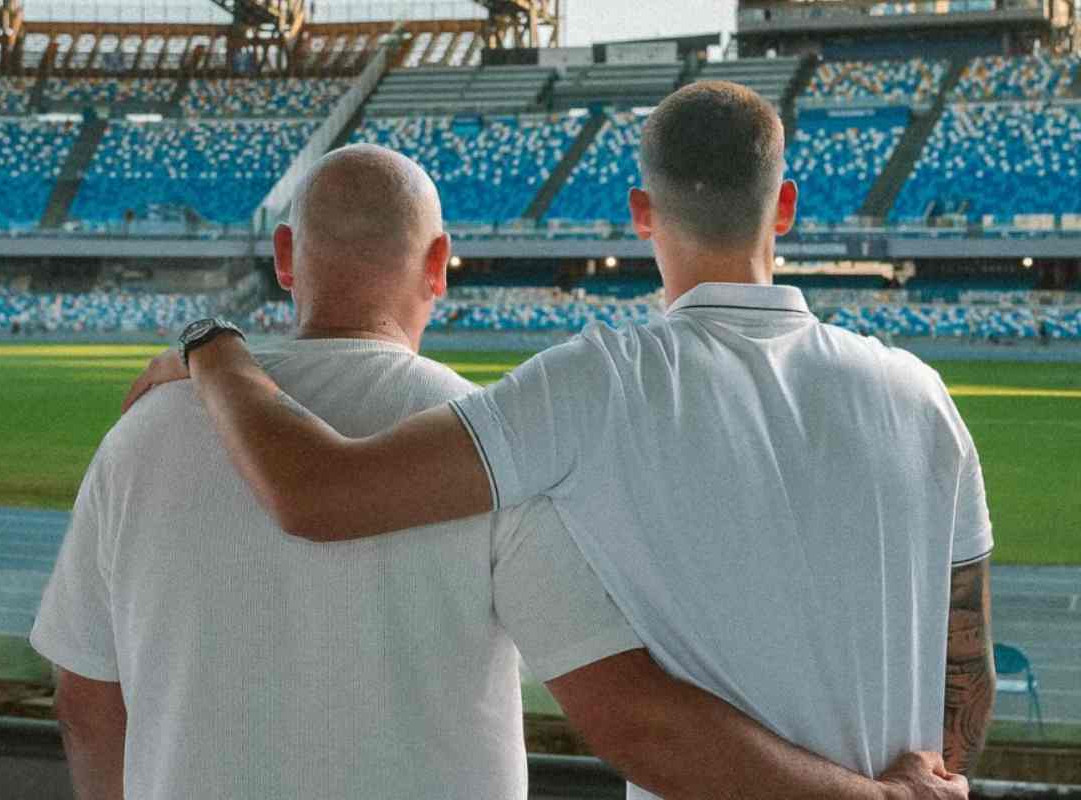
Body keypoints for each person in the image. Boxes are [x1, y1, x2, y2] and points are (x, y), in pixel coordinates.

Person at [129, 84, 996, 795]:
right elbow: (969, 676)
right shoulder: (922, 398)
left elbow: (317, 494)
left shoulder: (595, 386)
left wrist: (212, 349)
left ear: (641, 214)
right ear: (788, 208)